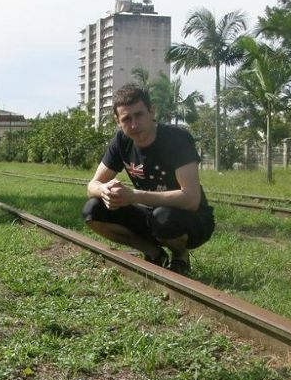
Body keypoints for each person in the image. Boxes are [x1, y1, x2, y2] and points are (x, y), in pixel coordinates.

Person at [83, 84, 214, 276]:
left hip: (192, 219)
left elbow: (191, 199)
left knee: (162, 217)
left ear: (152, 111)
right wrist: (105, 191)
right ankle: (153, 252)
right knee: (92, 209)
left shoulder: (177, 139)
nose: (134, 125)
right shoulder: (121, 142)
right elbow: (92, 186)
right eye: (126, 119)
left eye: (139, 115)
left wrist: (133, 196)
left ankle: (180, 256)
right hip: (151, 214)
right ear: (117, 121)